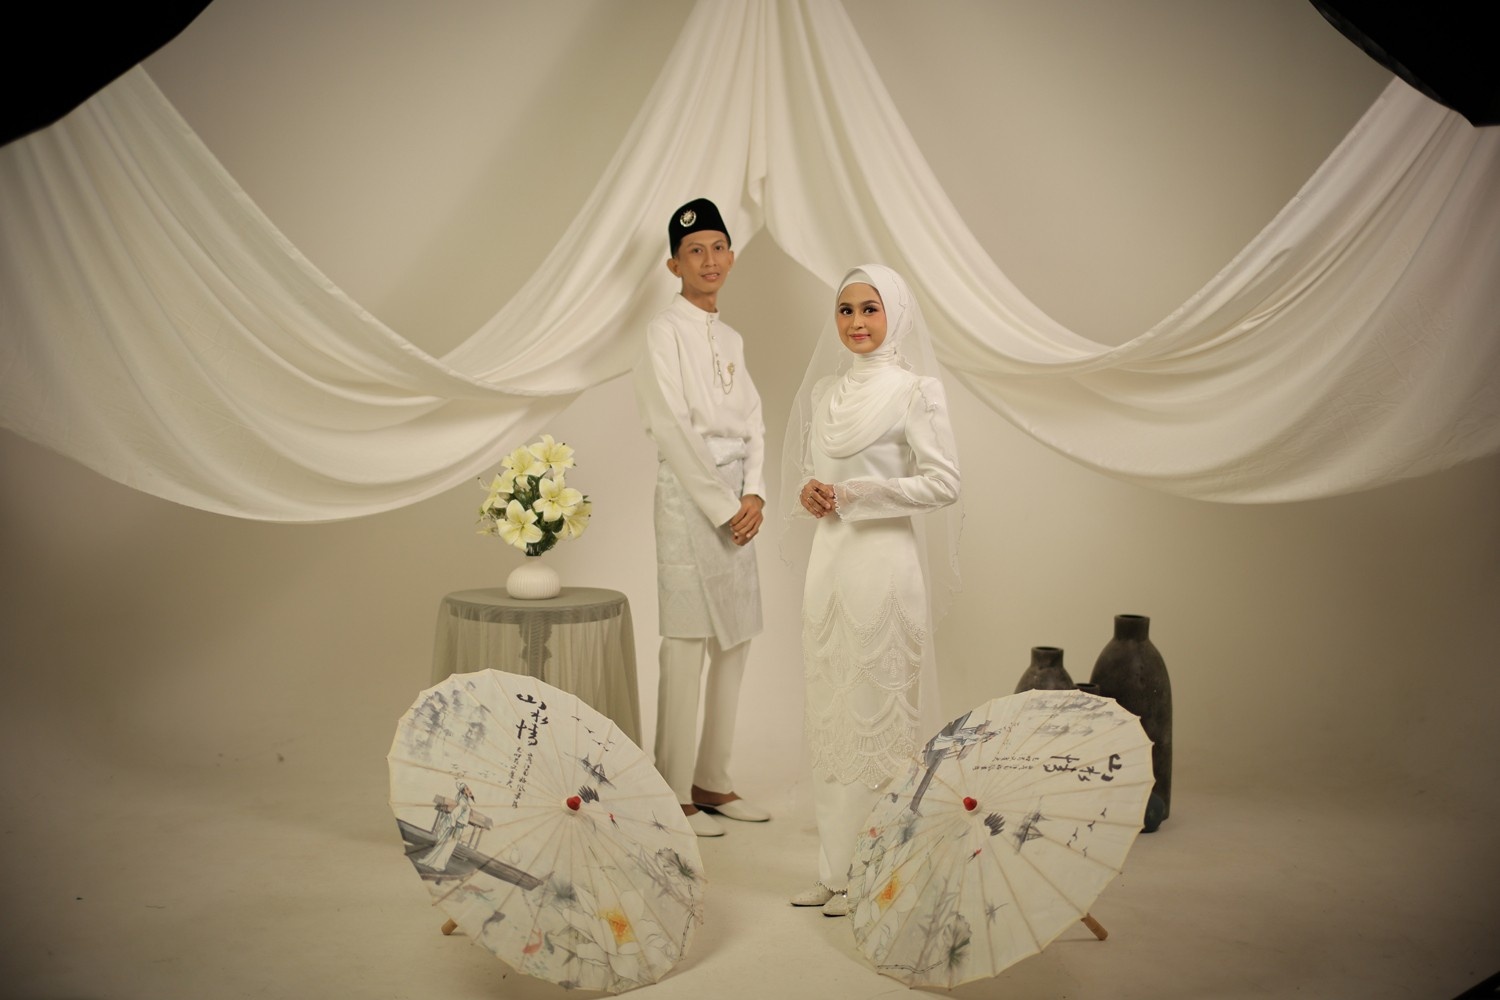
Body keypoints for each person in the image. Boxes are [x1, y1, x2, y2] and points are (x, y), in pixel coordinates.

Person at [783, 264, 961, 915]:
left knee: (877, 717)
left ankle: (875, 870)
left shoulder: (917, 391)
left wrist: (858, 494)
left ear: (897, 315)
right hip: (829, 567)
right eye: (846, 310)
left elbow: (944, 483)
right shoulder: (826, 391)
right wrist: (809, 490)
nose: (856, 322)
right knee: (832, 715)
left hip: (884, 569)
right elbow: (818, 471)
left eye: (870, 309)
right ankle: (834, 869)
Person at [633, 197, 771, 838]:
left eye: (718, 248)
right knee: (686, 641)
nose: (708, 260)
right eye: (695, 251)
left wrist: (755, 493)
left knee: (735, 640)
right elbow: (671, 425)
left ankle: (712, 779)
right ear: (674, 264)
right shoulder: (663, 332)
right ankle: (669, 792)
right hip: (689, 496)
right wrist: (722, 504)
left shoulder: (733, 338)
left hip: (738, 498)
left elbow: (754, 420)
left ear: (731, 257)